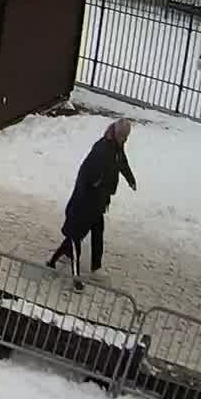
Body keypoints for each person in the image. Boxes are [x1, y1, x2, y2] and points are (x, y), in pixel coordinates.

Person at [47, 119, 137, 289]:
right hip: (85, 203)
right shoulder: (102, 149)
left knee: (95, 232)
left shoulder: (116, 147)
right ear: (116, 134)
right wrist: (97, 185)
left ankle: (93, 267)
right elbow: (87, 175)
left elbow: (121, 163)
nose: (125, 140)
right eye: (123, 137)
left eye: (126, 137)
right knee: (75, 238)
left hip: (98, 202)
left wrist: (130, 179)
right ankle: (75, 278)